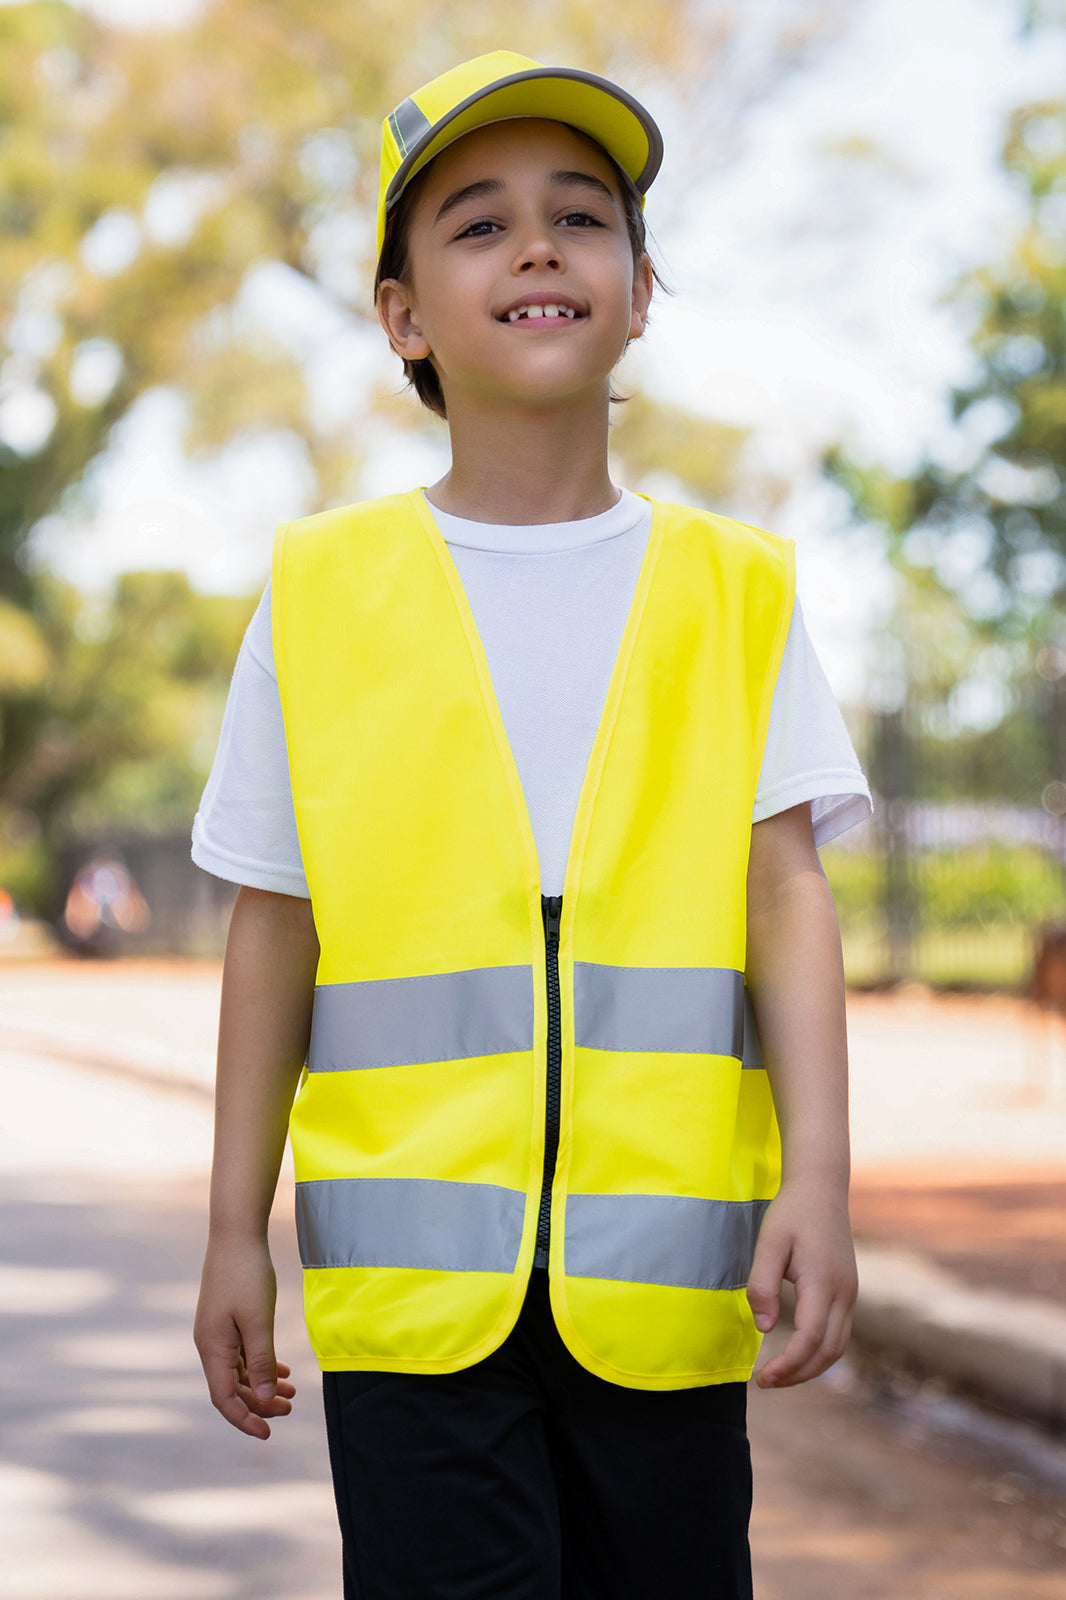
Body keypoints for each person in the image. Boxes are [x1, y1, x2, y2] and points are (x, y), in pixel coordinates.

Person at [191, 50, 871, 1600]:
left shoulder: (736, 589)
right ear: (403, 315)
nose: (539, 247)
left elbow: (785, 893)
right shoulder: (317, 593)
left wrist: (818, 1186)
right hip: (417, 1309)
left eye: (581, 216)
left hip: (665, 1293)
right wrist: (236, 1228)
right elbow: (272, 922)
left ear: (640, 291)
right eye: (477, 224)